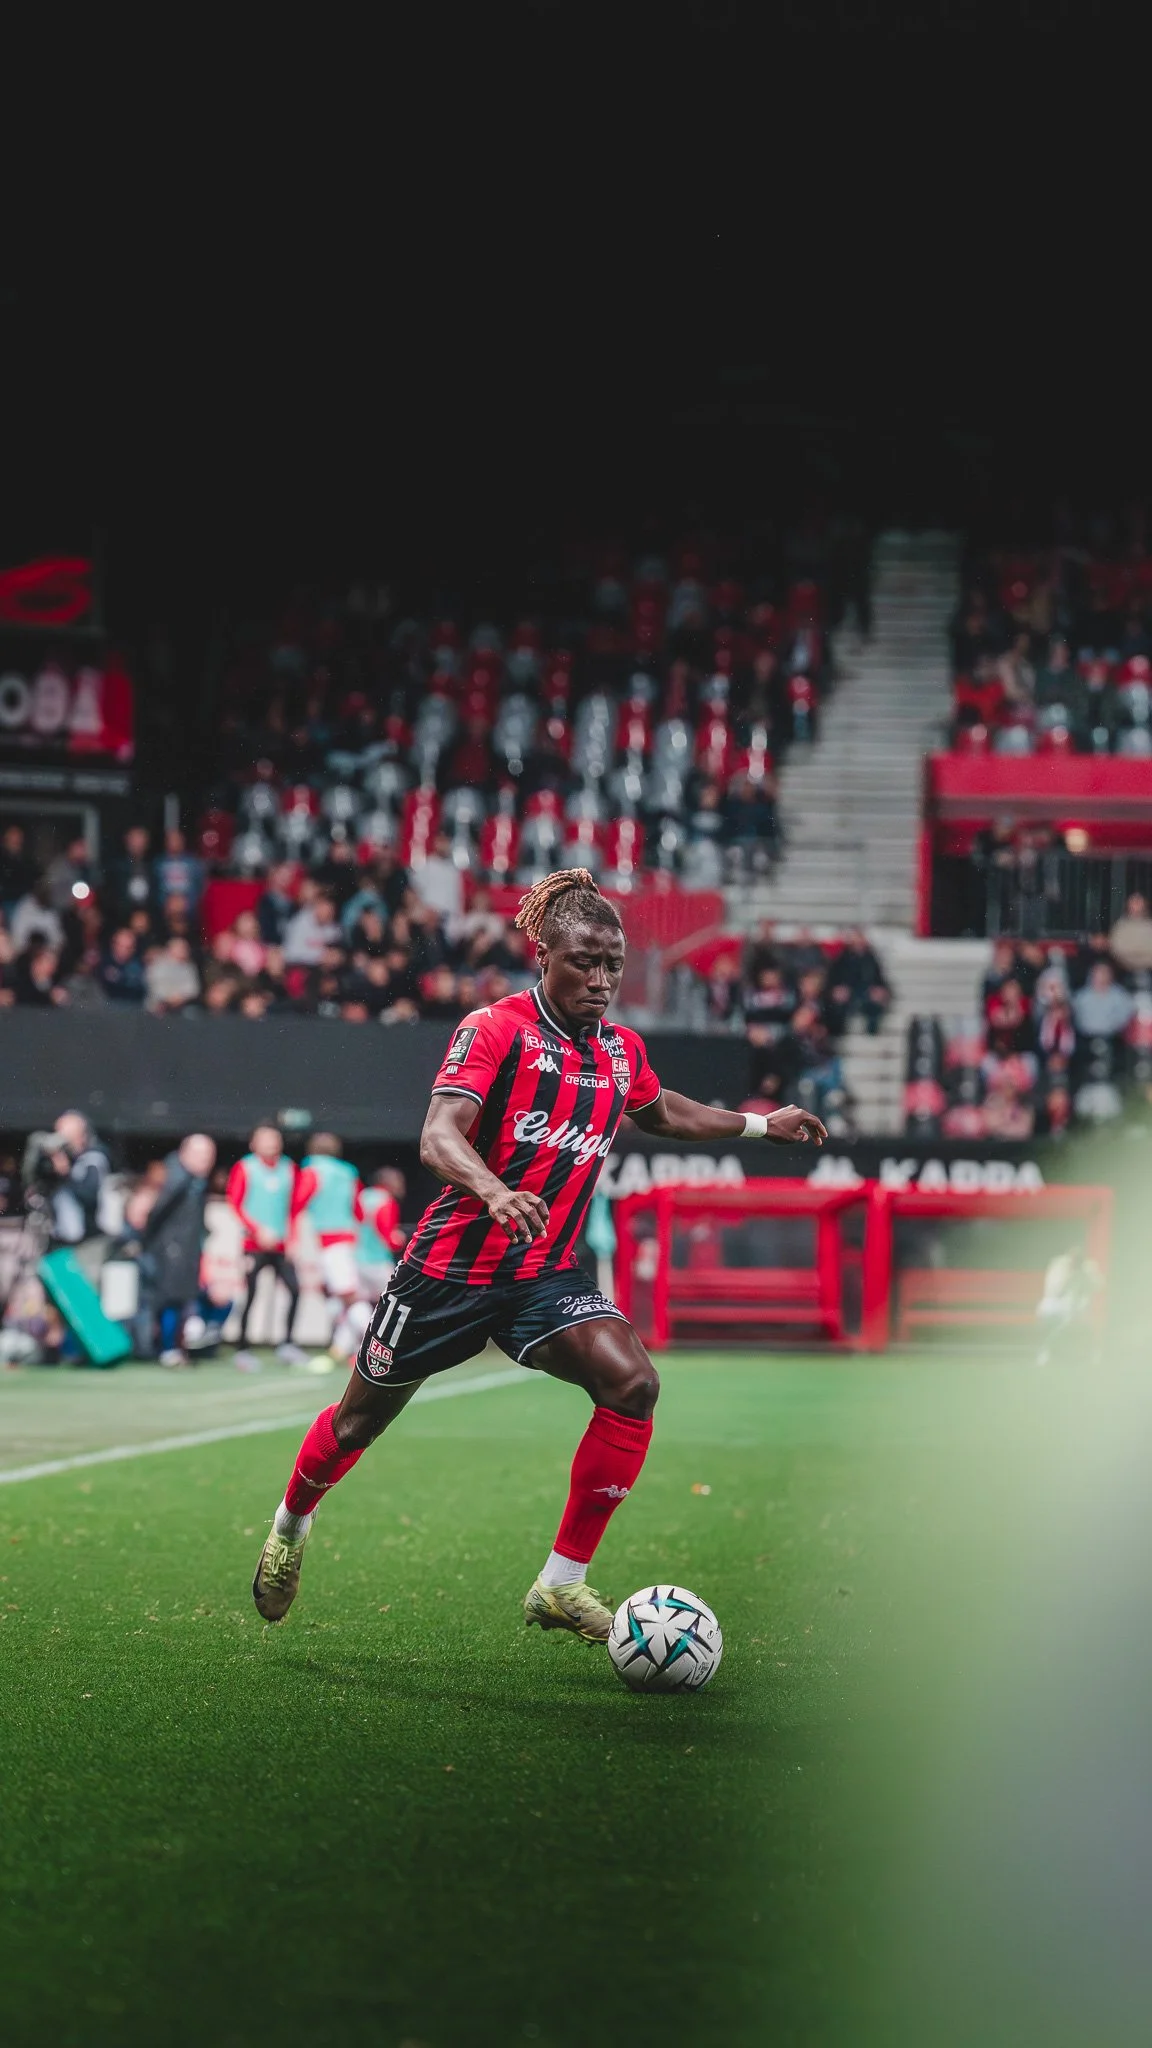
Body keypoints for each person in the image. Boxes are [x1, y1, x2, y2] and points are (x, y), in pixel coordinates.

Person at [252, 867, 826, 1636]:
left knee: (633, 1384)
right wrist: (492, 1190)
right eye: (583, 962)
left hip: (539, 1275)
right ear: (543, 957)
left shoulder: (620, 1051)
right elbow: (437, 1135)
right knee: (356, 1425)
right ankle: (291, 1526)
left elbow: (666, 1114)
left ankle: (561, 1581)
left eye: (612, 966)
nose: (600, 980)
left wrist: (760, 1125)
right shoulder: (493, 1029)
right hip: (446, 1273)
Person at [226, 1127, 312, 1371]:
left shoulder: (289, 1168)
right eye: (265, 1140)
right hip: (253, 1245)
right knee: (251, 1294)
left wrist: (293, 1239)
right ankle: (243, 1348)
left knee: (295, 1290)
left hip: (282, 1245)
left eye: (274, 1140)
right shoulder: (245, 1167)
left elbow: (294, 1208)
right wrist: (257, 1230)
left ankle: (287, 1344)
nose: (271, 1144)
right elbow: (236, 1203)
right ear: (254, 1143)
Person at [137, 1135, 217, 1364]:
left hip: (185, 1248)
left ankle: (178, 1346)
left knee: (183, 1298)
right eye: (201, 1155)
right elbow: (157, 1212)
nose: (206, 1161)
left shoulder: (195, 1180)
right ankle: (167, 1348)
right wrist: (153, 1243)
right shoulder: (178, 1177)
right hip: (172, 1249)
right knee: (171, 1299)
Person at [298, 1133, 362, 1369]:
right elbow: (357, 1209)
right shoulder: (349, 1172)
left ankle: (370, 1344)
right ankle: (342, 1348)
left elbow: (298, 1202)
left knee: (348, 1296)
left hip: (326, 1240)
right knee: (338, 1297)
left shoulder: (312, 1170)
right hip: (347, 1237)